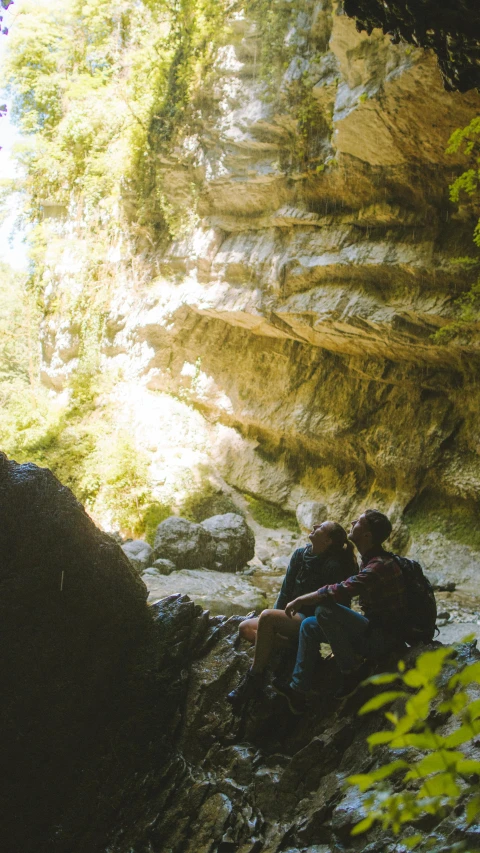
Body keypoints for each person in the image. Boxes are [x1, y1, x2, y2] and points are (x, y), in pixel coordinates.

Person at [273, 509, 408, 714]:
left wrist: (300, 600)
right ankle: (298, 690)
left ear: (367, 536)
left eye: (359, 521)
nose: (353, 521)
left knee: (325, 610)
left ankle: (351, 673)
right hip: (371, 630)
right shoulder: (369, 560)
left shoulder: (380, 565)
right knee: (309, 625)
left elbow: (338, 591)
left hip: (384, 639)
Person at [227, 520, 357, 708]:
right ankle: (295, 647)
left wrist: (271, 619)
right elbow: (285, 591)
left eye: (320, 528)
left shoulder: (332, 566)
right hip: (291, 616)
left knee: (267, 618)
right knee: (245, 628)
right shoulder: (300, 554)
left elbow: (336, 606)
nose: (315, 526)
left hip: (311, 620)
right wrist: (276, 617)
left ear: (328, 541)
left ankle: (253, 678)